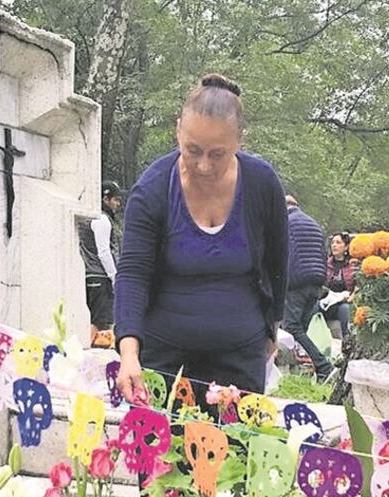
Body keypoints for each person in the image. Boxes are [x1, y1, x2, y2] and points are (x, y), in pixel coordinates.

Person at [114, 73, 288, 405]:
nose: (204, 165)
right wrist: (129, 353)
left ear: (240, 141)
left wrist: (272, 330)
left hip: (240, 358)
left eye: (217, 154)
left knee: (234, 439)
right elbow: (133, 274)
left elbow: (277, 265)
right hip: (163, 359)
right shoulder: (152, 189)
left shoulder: (262, 184)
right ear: (178, 130)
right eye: (192, 150)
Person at [282, 195, 332, 381]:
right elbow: (323, 253)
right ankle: (300, 372)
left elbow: (281, 254)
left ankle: (324, 366)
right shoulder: (313, 223)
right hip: (316, 282)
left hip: (296, 283)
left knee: (291, 327)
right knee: (299, 329)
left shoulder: (286, 223)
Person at [79, 181, 123, 347]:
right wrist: (114, 277)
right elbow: (104, 251)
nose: (117, 204)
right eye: (115, 199)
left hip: (92, 275)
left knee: (99, 321)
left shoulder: (89, 219)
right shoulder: (102, 220)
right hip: (101, 276)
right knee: (101, 324)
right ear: (105, 199)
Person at [323, 232, 355, 338]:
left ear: (346, 247)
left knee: (345, 309)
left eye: (338, 242)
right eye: (332, 243)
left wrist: (351, 296)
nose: (334, 245)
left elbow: (358, 286)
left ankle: (347, 339)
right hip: (327, 301)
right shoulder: (325, 264)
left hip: (344, 302)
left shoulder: (352, 265)